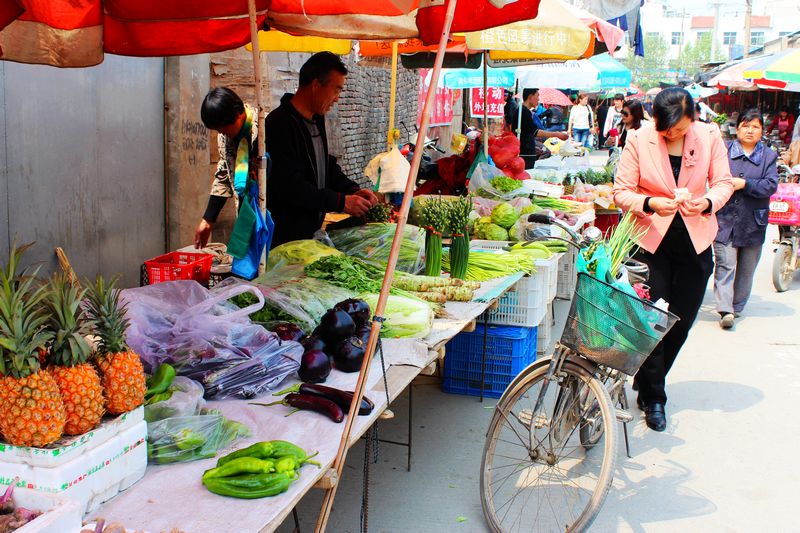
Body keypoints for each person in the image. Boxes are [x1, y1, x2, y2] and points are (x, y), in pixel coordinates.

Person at [613, 87, 734, 432]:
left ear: (692, 119)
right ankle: (654, 397)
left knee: (680, 321)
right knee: (652, 319)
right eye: (666, 131)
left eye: (679, 130)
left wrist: (707, 202)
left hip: (695, 241)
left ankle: (651, 376)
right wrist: (650, 203)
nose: (672, 136)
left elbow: (723, 183)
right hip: (650, 241)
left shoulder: (709, 136)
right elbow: (621, 191)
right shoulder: (638, 139)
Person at [264, 52, 378, 246]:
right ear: (316, 85)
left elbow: (325, 166)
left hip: (310, 234)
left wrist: (352, 190)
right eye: (337, 90)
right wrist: (341, 202)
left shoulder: (316, 120)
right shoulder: (278, 124)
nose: (337, 99)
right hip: (284, 238)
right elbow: (291, 186)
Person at [713, 109, 779, 329]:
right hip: (725, 218)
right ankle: (725, 309)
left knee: (747, 268)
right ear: (738, 128)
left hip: (753, 221)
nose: (750, 131)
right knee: (725, 263)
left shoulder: (768, 156)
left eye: (756, 127)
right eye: (746, 125)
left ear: (761, 131)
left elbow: (770, 185)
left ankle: (737, 305)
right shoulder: (723, 151)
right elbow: (713, 178)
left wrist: (746, 184)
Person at [195, 87, 259, 249]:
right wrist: (208, 219)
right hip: (246, 217)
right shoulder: (225, 136)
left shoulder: (264, 130)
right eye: (218, 130)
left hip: (269, 216)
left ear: (238, 113)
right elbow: (224, 174)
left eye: (223, 127)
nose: (221, 133)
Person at [504, 88, 568, 169]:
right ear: (530, 96)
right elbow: (535, 132)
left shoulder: (523, 111)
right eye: (537, 95)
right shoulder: (523, 112)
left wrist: (535, 147)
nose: (538, 99)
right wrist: (557, 134)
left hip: (526, 151)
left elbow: (527, 133)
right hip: (524, 154)